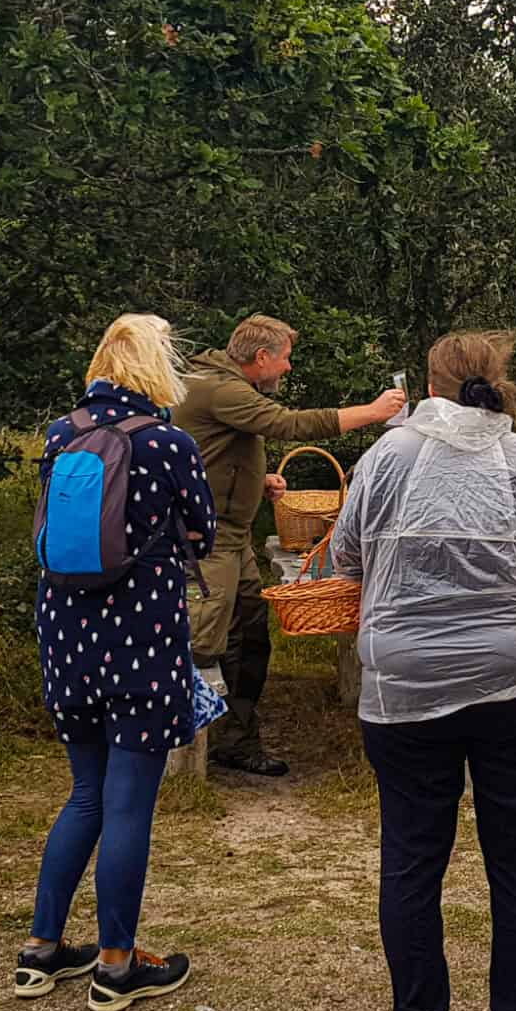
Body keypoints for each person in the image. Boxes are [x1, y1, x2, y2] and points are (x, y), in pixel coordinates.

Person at [329, 331, 516, 1011]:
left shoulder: (385, 458)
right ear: (497, 381)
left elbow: (346, 560)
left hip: (406, 690)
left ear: (432, 383)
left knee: (412, 861)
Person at [17, 314, 219, 1011]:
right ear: (158, 369)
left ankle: (41, 951)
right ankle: (115, 963)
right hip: (140, 637)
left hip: (65, 637)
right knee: (130, 803)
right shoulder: (169, 442)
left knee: (86, 795)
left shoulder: (59, 433)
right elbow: (205, 528)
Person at [174, 315, 406, 775]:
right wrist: (373, 412)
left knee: (249, 634)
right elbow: (289, 425)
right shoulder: (223, 390)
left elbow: (207, 455)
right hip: (208, 541)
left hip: (231, 537)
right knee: (203, 643)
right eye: (285, 358)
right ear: (261, 358)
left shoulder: (219, 381)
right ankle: (176, 753)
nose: (288, 368)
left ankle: (234, 737)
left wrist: (256, 481)